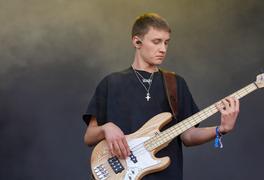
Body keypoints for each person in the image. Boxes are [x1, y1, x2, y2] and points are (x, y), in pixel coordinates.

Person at [82, 13, 240, 180]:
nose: (163, 49)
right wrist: (106, 128)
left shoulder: (175, 83)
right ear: (137, 42)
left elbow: (188, 135)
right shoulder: (111, 83)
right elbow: (89, 136)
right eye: (156, 42)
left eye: (166, 42)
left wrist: (220, 130)